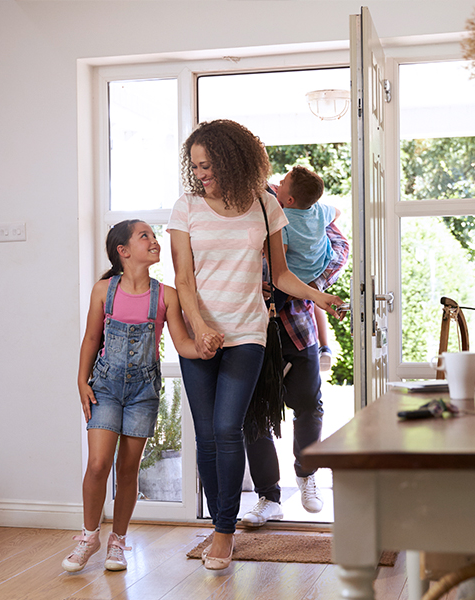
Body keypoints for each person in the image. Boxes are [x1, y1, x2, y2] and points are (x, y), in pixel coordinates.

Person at [168, 119, 344, 570]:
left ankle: (224, 532)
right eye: (196, 166)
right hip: (199, 335)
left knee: (228, 428)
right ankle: (218, 526)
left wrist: (318, 295)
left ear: (232, 159)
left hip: (247, 332)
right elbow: (183, 280)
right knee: (206, 435)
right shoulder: (186, 207)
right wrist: (201, 328)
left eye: (207, 164)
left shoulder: (266, 205)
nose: (201, 173)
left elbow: (282, 274)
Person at [67, 220, 220, 573]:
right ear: (123, 251)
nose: (154, 240)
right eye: (145, 236)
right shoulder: (104, 290)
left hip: (142, 391)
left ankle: (117, 542)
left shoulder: (166, 295)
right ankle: (89, 536)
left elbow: (181, 343)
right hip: (104, 386)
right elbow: (92, 339)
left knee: (128, 468)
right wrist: (81, 381)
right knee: (97, 464)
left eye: (153, 235)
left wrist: (204, 349)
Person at [242, 221, 349, 527]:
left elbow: (340, 246)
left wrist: (309, 284)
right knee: (256, 415)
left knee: (309, 408)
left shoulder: (293, 212)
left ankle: (306, 473)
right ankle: (268, 498)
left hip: (299, 331)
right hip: (251, 331)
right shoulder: (232, 215)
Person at [273, 165, 341, 372]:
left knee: (271, 307)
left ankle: (278, 362)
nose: (279, 184)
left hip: (293, 278)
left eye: (283, 183)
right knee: (315, 298)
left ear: (290, 200)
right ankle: (325, 348)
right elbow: (337, 212)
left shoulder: (283, 220)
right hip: (319, 267)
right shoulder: (319, 210)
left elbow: (280, 255)